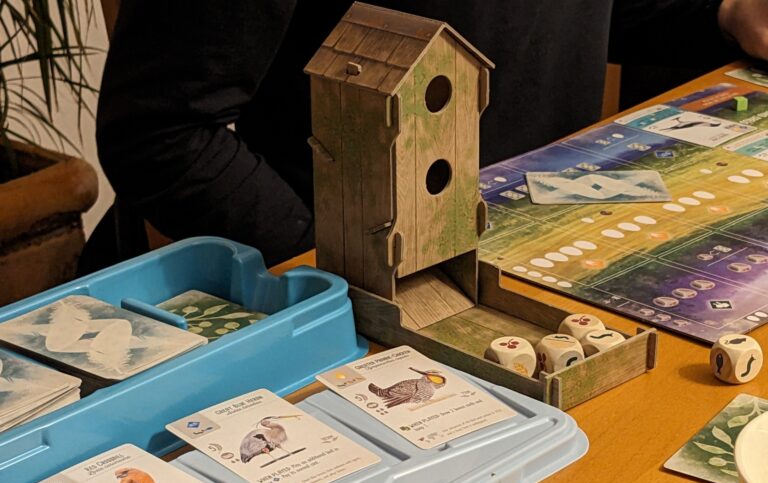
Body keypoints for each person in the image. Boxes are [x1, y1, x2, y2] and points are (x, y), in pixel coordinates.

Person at [80, 0, 768, 275]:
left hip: (539, 250)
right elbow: (159, 132)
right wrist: (338, 262)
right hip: (325, 292)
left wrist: (727, 13)